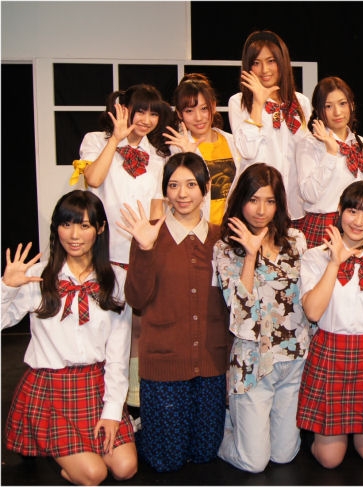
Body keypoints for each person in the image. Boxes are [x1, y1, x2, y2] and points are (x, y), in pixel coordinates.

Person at [2, 191, 137, 485]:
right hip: (50, 388)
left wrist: (112, 411)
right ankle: (62, 454)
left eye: (84, 225)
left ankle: (74, 454)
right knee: (94, 474)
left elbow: (118, 353)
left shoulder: (116, 279)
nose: (74, 235)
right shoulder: (37, 276)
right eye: (66, 224)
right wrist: (7, 287)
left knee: (125, 468)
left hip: (95, 386)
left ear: (100, 228)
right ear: (57, 228)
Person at [119, 152, 229, 472]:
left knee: (205, 453)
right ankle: (137, 430)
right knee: (166, 461)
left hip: (210, 363)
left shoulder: (220, 238)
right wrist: (144, 249)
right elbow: (136, 299)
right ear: (165, 190)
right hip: (165, 364)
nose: (182, 193)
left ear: (205, 189)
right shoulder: (150, 234)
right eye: (174, 185)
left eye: (191, 184)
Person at [77, 83, 173, 413]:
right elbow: (93, 179)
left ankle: (133, 401)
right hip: (103, 252)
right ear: (123, 110)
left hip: (140, 252)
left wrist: (154, 247)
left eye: (153, 114)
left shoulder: (158, 155)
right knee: (100, 326)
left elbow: (157, 206)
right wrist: (116, 139)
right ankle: (96, 399)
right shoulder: (96, 141)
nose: (146, 119)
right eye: (139, 111)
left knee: (138, 327)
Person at [297, 181, 363, 469]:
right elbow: (313, 313)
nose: (358, 221)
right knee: (330, 460)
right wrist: (334, 263)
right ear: (340, 210)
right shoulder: (314, 257)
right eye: (352, 211)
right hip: (331, 351)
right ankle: (318, 439)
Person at [215, 163, 313, 472]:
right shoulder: (225, 248)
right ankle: (219, 433)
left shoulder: (296, 240)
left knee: (284, 455)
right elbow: (240, 316)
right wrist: (251, 255)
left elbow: (307, 300)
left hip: (294, 359)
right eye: (253, 199)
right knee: (254, 462)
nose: (261, 210)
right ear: (241, 200)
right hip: (253, 363)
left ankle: (251, 430)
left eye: (269, 201)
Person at [228, 30, 311, 223]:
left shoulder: (301, 103)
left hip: (292, 202)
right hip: (254, 203)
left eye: (271, 61)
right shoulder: (239, 102)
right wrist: (258, 103)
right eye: (256, 63)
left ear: (282, 62)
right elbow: (247, 151)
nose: (264, 70)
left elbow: (303, 152)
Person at [296, 76, 363, 248]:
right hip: (324, 225)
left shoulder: (360, 143)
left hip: (357, 225)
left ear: (351, 105)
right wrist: (330, 153)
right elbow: (309, 194)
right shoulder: (310, 143)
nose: (337, 112)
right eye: (328, 106)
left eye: (342, 103)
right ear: (318, 110)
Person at [166, 73, 241, 226]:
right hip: (196, 229)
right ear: (180, 114)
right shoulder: (177, 148)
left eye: (204, 108)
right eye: (189, 111)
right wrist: (188, 156)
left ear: (213, 106)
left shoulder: (233, 142)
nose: (198, 117)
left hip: (232, 229)